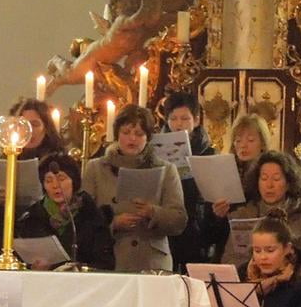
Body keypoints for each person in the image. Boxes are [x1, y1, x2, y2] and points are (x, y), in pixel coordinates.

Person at [82, 104, 187, 271]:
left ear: (148, 137)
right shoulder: (96, 168)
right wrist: (113, 223)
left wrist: (153, 212)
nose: (132, 139)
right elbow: (84, 218)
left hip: (151, 260)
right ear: (117, 134)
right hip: (110, 256)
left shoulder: (166, 169)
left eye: (139, 134)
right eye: (126, 132)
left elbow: (179, 220)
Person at [219, 151, 301, 266]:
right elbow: (229, 260)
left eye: (276, 179)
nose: (269, 185)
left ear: (288, 183)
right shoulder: (244, 215)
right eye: (264, 178)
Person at [0, 98, 66, 236]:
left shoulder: (59, 162)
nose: (29, 130)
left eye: (35, 124)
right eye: (23, 124)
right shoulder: (0, 158)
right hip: (6, 230)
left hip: (45, 230)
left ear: (46, 128)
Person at [15, 154, 114, 270]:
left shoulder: (92, 215)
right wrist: (32, 267)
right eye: (48, 181)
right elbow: (19, 260)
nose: (55, 185)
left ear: (74, 181)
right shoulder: (31, 218)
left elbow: (106, 263)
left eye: (61, 179)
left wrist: (79, 268)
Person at [205, 114, 272, 260]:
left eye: (250, 140)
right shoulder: (225, 172)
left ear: (262, 143)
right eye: (238, 140)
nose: (243, 145)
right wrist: (218, 215)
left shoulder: (270, 173)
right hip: (228, 250)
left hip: (262, 247)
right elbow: (210, 234)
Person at [162, 92, 216, 271]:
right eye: (173, 119)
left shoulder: (207, 153)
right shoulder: (156, 151)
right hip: (167, 224)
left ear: (197, 120)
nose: (179, 124)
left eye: (185, 119)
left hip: (197, 225)